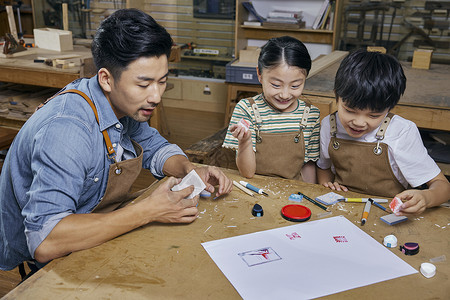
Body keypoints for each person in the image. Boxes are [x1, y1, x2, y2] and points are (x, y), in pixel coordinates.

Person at [0, 9, 232, 274]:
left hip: (93, 226)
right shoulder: (67, 130)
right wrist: (148, 211)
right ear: (106, 79)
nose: (156, 96)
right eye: (144, 84)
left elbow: (156, 148)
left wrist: (188, 168)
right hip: (54, 257)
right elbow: (46, 240)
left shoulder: (123, 105)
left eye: (162, 82)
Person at [316, 48, 450, 216]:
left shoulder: (401, 132)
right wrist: (327, 185)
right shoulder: (329, 126)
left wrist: (426, 197)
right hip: (343, 210)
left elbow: (443, 186)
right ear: (337, 96)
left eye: (374, 115)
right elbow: (323, 166)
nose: (359, 122)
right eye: (349, 110)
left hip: (389, 214)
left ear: (389, 108)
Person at [222, 36, 320, 182]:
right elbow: (247, 172)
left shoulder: (311, 114)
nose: (285, 94)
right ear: (259, 75)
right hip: (255, 188)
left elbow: (309, 166)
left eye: (295, 86)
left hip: (293, 192)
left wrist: (309, 194)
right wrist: (245, 142)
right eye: (275, 84)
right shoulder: (247, 109)